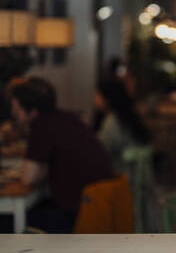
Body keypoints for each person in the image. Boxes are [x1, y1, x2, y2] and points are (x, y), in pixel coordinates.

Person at [6, 77, 114, 233]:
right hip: (98, 203)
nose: (13, 113)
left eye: (17, 108)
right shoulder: (67, 117)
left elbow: (28, 178)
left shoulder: (41, 126)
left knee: (6, 221)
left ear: (32, 110)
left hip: (79, 211)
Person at [95, 78, 151, 173]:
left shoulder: (112, 121)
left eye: (97, 95)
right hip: (137, 176)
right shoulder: (131, 116)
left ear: (107, 98)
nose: (95, 99)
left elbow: (99, 151)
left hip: (120, 176)